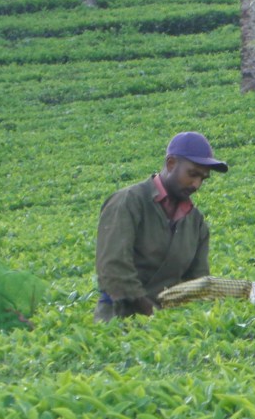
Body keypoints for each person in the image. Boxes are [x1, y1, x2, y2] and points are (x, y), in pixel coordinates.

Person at [94, 131, 228, 322]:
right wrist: (147, 311)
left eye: (203, 179)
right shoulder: (128, 202)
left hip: (167, 325)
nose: (197, 184)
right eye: (192, 174)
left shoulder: (196, 222)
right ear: (171, 163)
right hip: (118, 318)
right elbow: (113, 267)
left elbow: (197, 280)